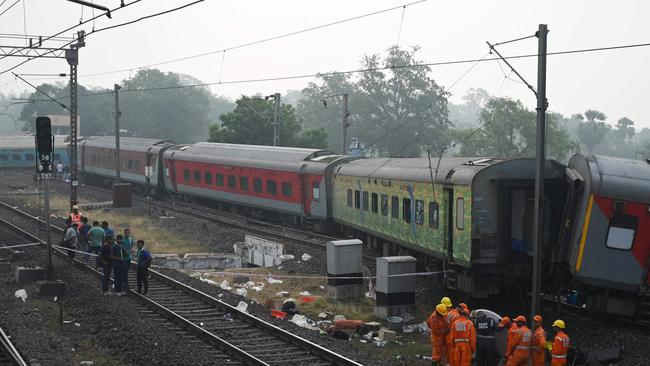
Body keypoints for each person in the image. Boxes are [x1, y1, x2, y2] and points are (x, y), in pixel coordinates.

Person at [442, 296, 460, 366]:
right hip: (451, 337)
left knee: (448, 353)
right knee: (451, 353)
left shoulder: (447, 314)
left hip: (447, 337)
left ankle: (448, 363)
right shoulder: (455, 315)